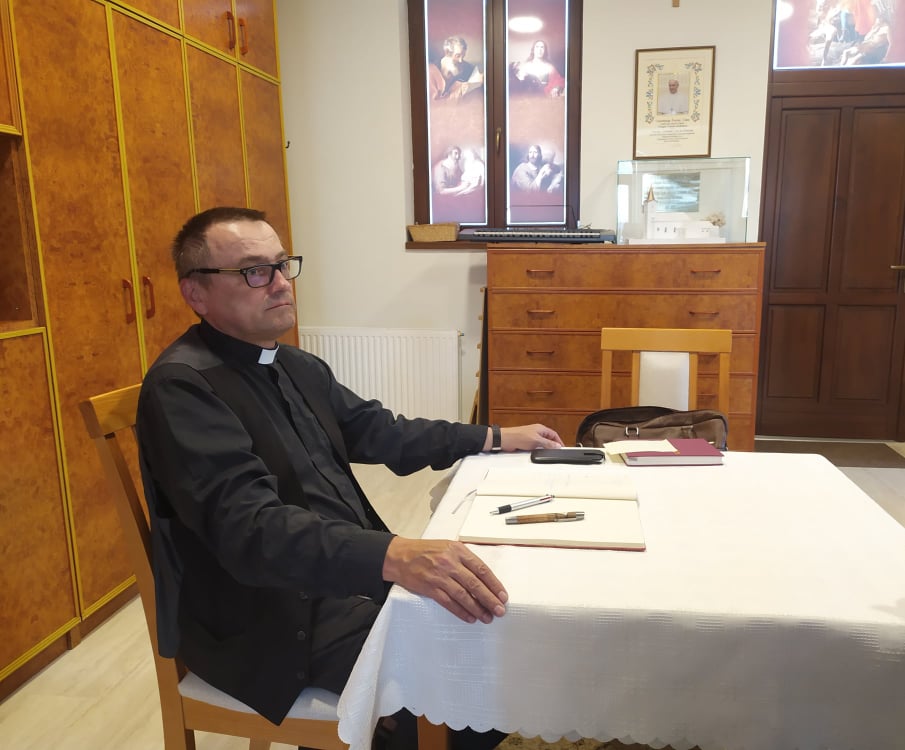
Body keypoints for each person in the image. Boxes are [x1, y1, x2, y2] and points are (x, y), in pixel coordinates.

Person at [135, 206, 564, 750]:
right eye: (254, 271)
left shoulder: (293, 364)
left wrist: (494, 436)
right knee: (471, 676)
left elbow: (384, 432)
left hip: (340, 577)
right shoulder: (182, 387)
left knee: (506, 623)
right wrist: (393, 554)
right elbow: (252, 530)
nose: (280, 283)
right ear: (196, 293)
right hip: (267, 616)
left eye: (282, 264)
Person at [428, 35, 484, 100]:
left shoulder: (467, 68)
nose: (460, 60)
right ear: (447, 52)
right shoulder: (431, 71)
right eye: (457, 56)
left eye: (463, 56)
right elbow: (434, 102)